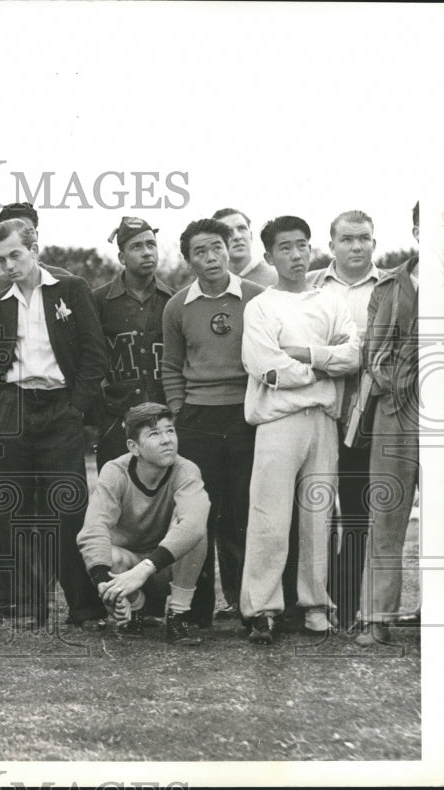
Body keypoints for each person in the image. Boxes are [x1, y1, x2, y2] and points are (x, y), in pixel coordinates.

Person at [0, 218, 107, 630]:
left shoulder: (71, 290)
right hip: (13, 407)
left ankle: (84, 606)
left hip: (60, 409)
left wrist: (75, 408)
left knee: (68, 508)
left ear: (35, 249)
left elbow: (94, 354)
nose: (10, 266)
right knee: (10, 510)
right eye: (1, 260)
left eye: (16, 254)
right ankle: (25, 607)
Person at [239, 216, 359, 645]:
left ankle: (314, 607)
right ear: (269, 256)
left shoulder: (331, 301)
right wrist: (319, 373)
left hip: (323, 422)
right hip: (279, 421)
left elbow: (352, 355)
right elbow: (264, 365)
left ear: (312, 250)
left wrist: (307, 354)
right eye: (285, 248)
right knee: (269, 517)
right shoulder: (260, 306)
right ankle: (262, 610)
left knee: (317, 518)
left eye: (302, 246)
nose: (296, 255)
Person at [161, 218, 266, 627]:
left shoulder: (257, 298)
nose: (211, 258)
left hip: (245, 415)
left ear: (230, 248)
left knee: (242, 515)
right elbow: (171, 366)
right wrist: (179, 410)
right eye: (200, 252)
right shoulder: (177, 306)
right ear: (188, 260)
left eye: (217, 248)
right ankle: (196, 611)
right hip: (197, 419)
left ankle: (248, 607)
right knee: (199, 516)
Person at [306, 210, 384, 630]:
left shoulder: (390, 286)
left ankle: (345, 605)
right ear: (331, 243)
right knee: (311, 511)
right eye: (348, 239)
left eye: (365, 238)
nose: (357, 246)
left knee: (355, 514)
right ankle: (308, 605)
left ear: (375, 242)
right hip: (316, 410)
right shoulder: (312, 286)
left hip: (366, 419)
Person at [76, 403, 209, 644]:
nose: (167, 440)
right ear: (133, 447)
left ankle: (178, 615)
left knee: (193, 527)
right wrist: (107, 588)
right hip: (128, 575)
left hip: (167, 572)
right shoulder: (115, 471)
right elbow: (93, 529)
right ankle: (135, 609)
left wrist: (144, 568)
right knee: (110, 552)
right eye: (154, 434)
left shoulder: (186, 471)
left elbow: (194, 526)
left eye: (170, 431)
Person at [355, 202, 420, 646]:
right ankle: (376, 618)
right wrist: (393, 377)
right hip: (395, 413)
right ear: (417, 229)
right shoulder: (390, 285)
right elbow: (370, 354)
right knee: (387, 514)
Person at [93, 216, 174, 469]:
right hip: (117, 420)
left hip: (163, 417)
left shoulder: (172, 300)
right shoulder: (98, 301)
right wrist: (102, 418)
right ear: (121, 257)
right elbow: (89, 362)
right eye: (136, 247)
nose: (147, 252)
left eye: (151, 245)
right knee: (117, 493)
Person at [211, 208, 278, 288]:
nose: (237, 236)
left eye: (242, 229)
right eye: (228, 232)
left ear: (251, 235)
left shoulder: (277, 278)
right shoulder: (210, 284)